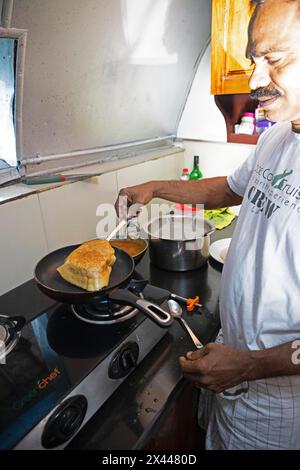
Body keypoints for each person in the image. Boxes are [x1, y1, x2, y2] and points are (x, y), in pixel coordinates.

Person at [114, 0, 300, 449]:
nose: (255, 79)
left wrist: (251, 365)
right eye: (253, 60)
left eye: (273, 58)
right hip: (230, 365)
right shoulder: (278, 134)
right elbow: (228, 190)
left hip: (279, 402)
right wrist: (155, 186)